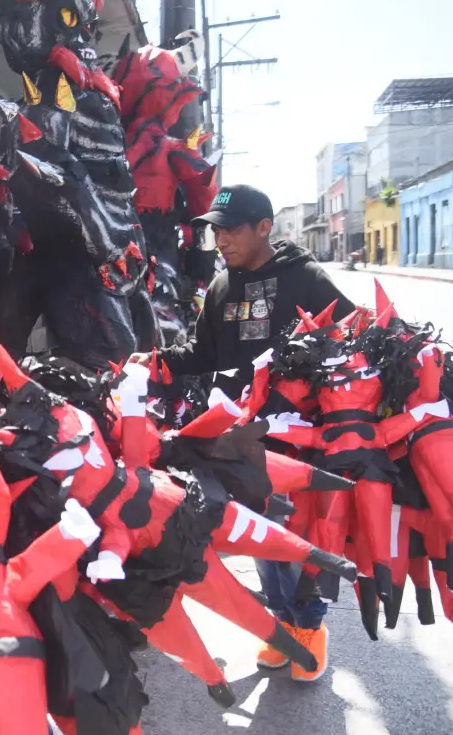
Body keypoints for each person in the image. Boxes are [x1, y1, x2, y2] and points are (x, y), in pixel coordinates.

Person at [129, 184, 355, 683]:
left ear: (264, 228)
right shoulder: (220, 288)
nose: (221, 239)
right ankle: (281, 621)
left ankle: (309, 626)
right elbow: (202, 354)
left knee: (294, 534)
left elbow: (354, 336)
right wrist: (159, 363)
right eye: (215, 230)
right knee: (260, 537)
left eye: (230, 229)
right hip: (235, 437)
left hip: (297, 438)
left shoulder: (305, 279)